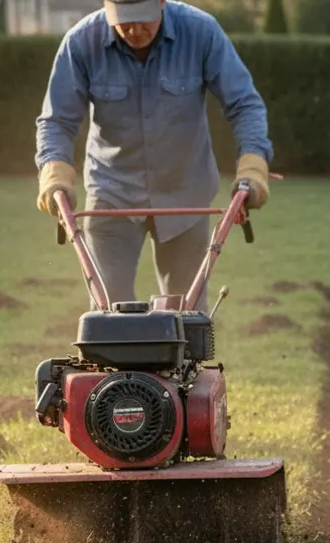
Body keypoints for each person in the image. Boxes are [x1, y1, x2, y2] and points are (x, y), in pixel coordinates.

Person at [34, 0, 272, 312]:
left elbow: (244, 104)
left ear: (161, 3)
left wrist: (253, 167)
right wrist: (55, 175)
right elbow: (57, 121)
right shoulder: (81, 42)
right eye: (124, 21)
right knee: (107, 317)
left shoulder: (200, 32)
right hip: (112, 195)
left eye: (143, 19)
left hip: (186, 194)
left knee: (186, 317)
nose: (134, 29)